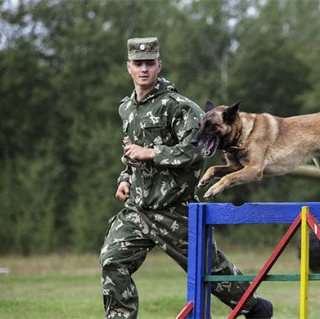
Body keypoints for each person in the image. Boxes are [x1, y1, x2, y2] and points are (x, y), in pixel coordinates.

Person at [99, 37, 273, 319]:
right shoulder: (127, 109)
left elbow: (196, 151)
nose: (144, 69)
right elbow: (131, 152)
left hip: (175, 211)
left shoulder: (180, 107)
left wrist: (152, 153)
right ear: (128, 67)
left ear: (159, 66)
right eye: (138, 64)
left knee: (211, 270)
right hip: (138, 210)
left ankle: (255, 307)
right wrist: (126, 178)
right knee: (111, 260)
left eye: (149, 63)